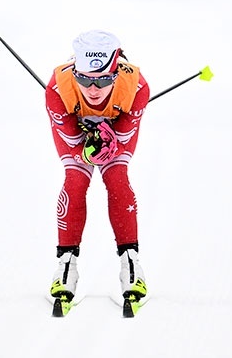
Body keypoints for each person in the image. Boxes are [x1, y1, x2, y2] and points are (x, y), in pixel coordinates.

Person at [45, 30, 150, 317]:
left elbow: (126, 135)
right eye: (84, 79)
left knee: (117, 178)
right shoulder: (58, 87)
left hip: (116, 128)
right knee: (76, 180)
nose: (93, 89)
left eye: (103, 80)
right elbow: (68, 140)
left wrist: (109, 141)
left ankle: (131, 263)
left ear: (116, 73)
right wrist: (87, 151)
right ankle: (66, 265)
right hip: (75, 127)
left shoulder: (136, 86)